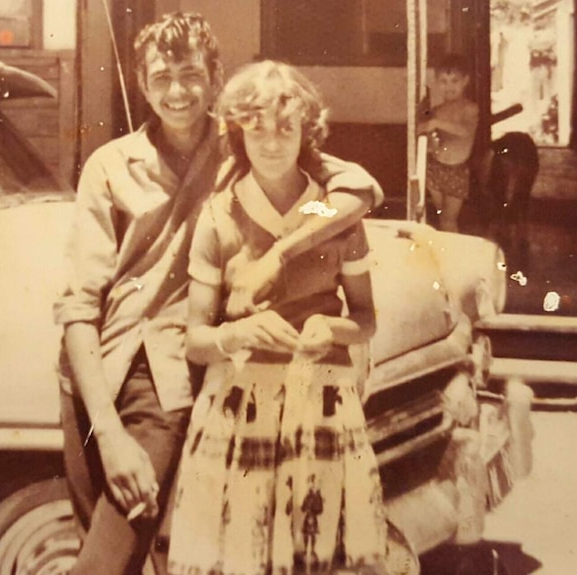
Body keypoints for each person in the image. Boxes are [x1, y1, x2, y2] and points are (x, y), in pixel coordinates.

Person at [53, 13, 385, 575]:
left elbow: (356, 190)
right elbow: (79, 304)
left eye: (190, 75)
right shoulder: (110, 166)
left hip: (172, 367)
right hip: (100, 371)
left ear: (213, 78)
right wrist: (106, 432)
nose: (177, 92)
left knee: (113, 558)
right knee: (115, 548)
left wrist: (284, 252)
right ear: (141, 84)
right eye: (161, 78)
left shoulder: (248, 140)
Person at [167, 60, 417, 575]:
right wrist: (237, 332)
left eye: (287, 128)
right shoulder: (218, 217)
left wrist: (333, 329)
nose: (273, 143)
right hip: (240, 410)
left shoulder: (330, 212)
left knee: (320, 555)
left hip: (320, 405)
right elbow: (194, 339)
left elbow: (366, 318)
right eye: (256, 129)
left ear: (307, 131)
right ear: (237, 131)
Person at [419, 53, 479, 233]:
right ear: (437, 82)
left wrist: (436, 123)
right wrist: (429, 137)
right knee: (441, 216)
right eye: (443, 81)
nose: (449, 86)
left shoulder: (470, 108)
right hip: (435, 168)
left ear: (465, 81)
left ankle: (453, 256)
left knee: (448, 219)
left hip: (456, 171)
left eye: (454, 81)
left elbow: (464, 131)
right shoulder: (436, 111)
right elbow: (426, 133)